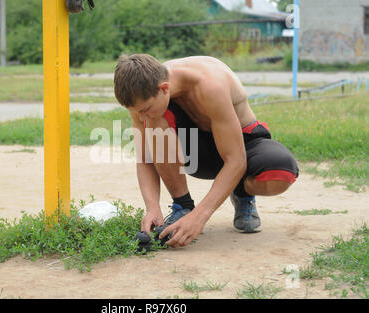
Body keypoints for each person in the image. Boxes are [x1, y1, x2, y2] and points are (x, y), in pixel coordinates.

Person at [114, 54, 299, 249]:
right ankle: (182, 206)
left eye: (145, 108)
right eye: (137, 111)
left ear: (164, 88)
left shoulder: (210, 85)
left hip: (242, 145)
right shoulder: (143, 92)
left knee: (281, 173)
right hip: (199, 154)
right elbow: (145, 158)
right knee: (154, 121)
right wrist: (152, 207)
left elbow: (236, 160)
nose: (140, 115)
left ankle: (241, 192)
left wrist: (200, 217)